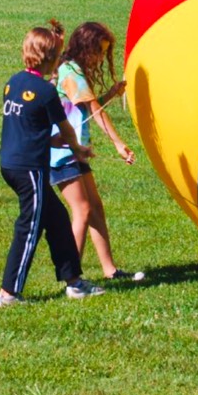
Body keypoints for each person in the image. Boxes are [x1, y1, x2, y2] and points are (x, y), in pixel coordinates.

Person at [0, 25, 106, 307]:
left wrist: (59, 143)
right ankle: (9, 293)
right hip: (30, 170)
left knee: (57, 220)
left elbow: (33, 131)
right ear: (50, 58)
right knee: (29, 227)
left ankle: (75, 283)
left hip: (11, 163)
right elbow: (67, 130)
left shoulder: (13, 82)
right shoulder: (46, 92)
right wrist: (78, 149)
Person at [50, 22, 144, 281]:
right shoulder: (71, 72)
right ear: (85, 47)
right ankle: (72, 278)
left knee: (95, 208)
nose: (101, 58)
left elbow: (86, 106)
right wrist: (117, 142)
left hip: (74, 150)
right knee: (82, 210)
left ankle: (110, 270)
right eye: (99, 51)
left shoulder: (73, 69)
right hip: (62, 151)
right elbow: (93, 110)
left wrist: (110, 95)